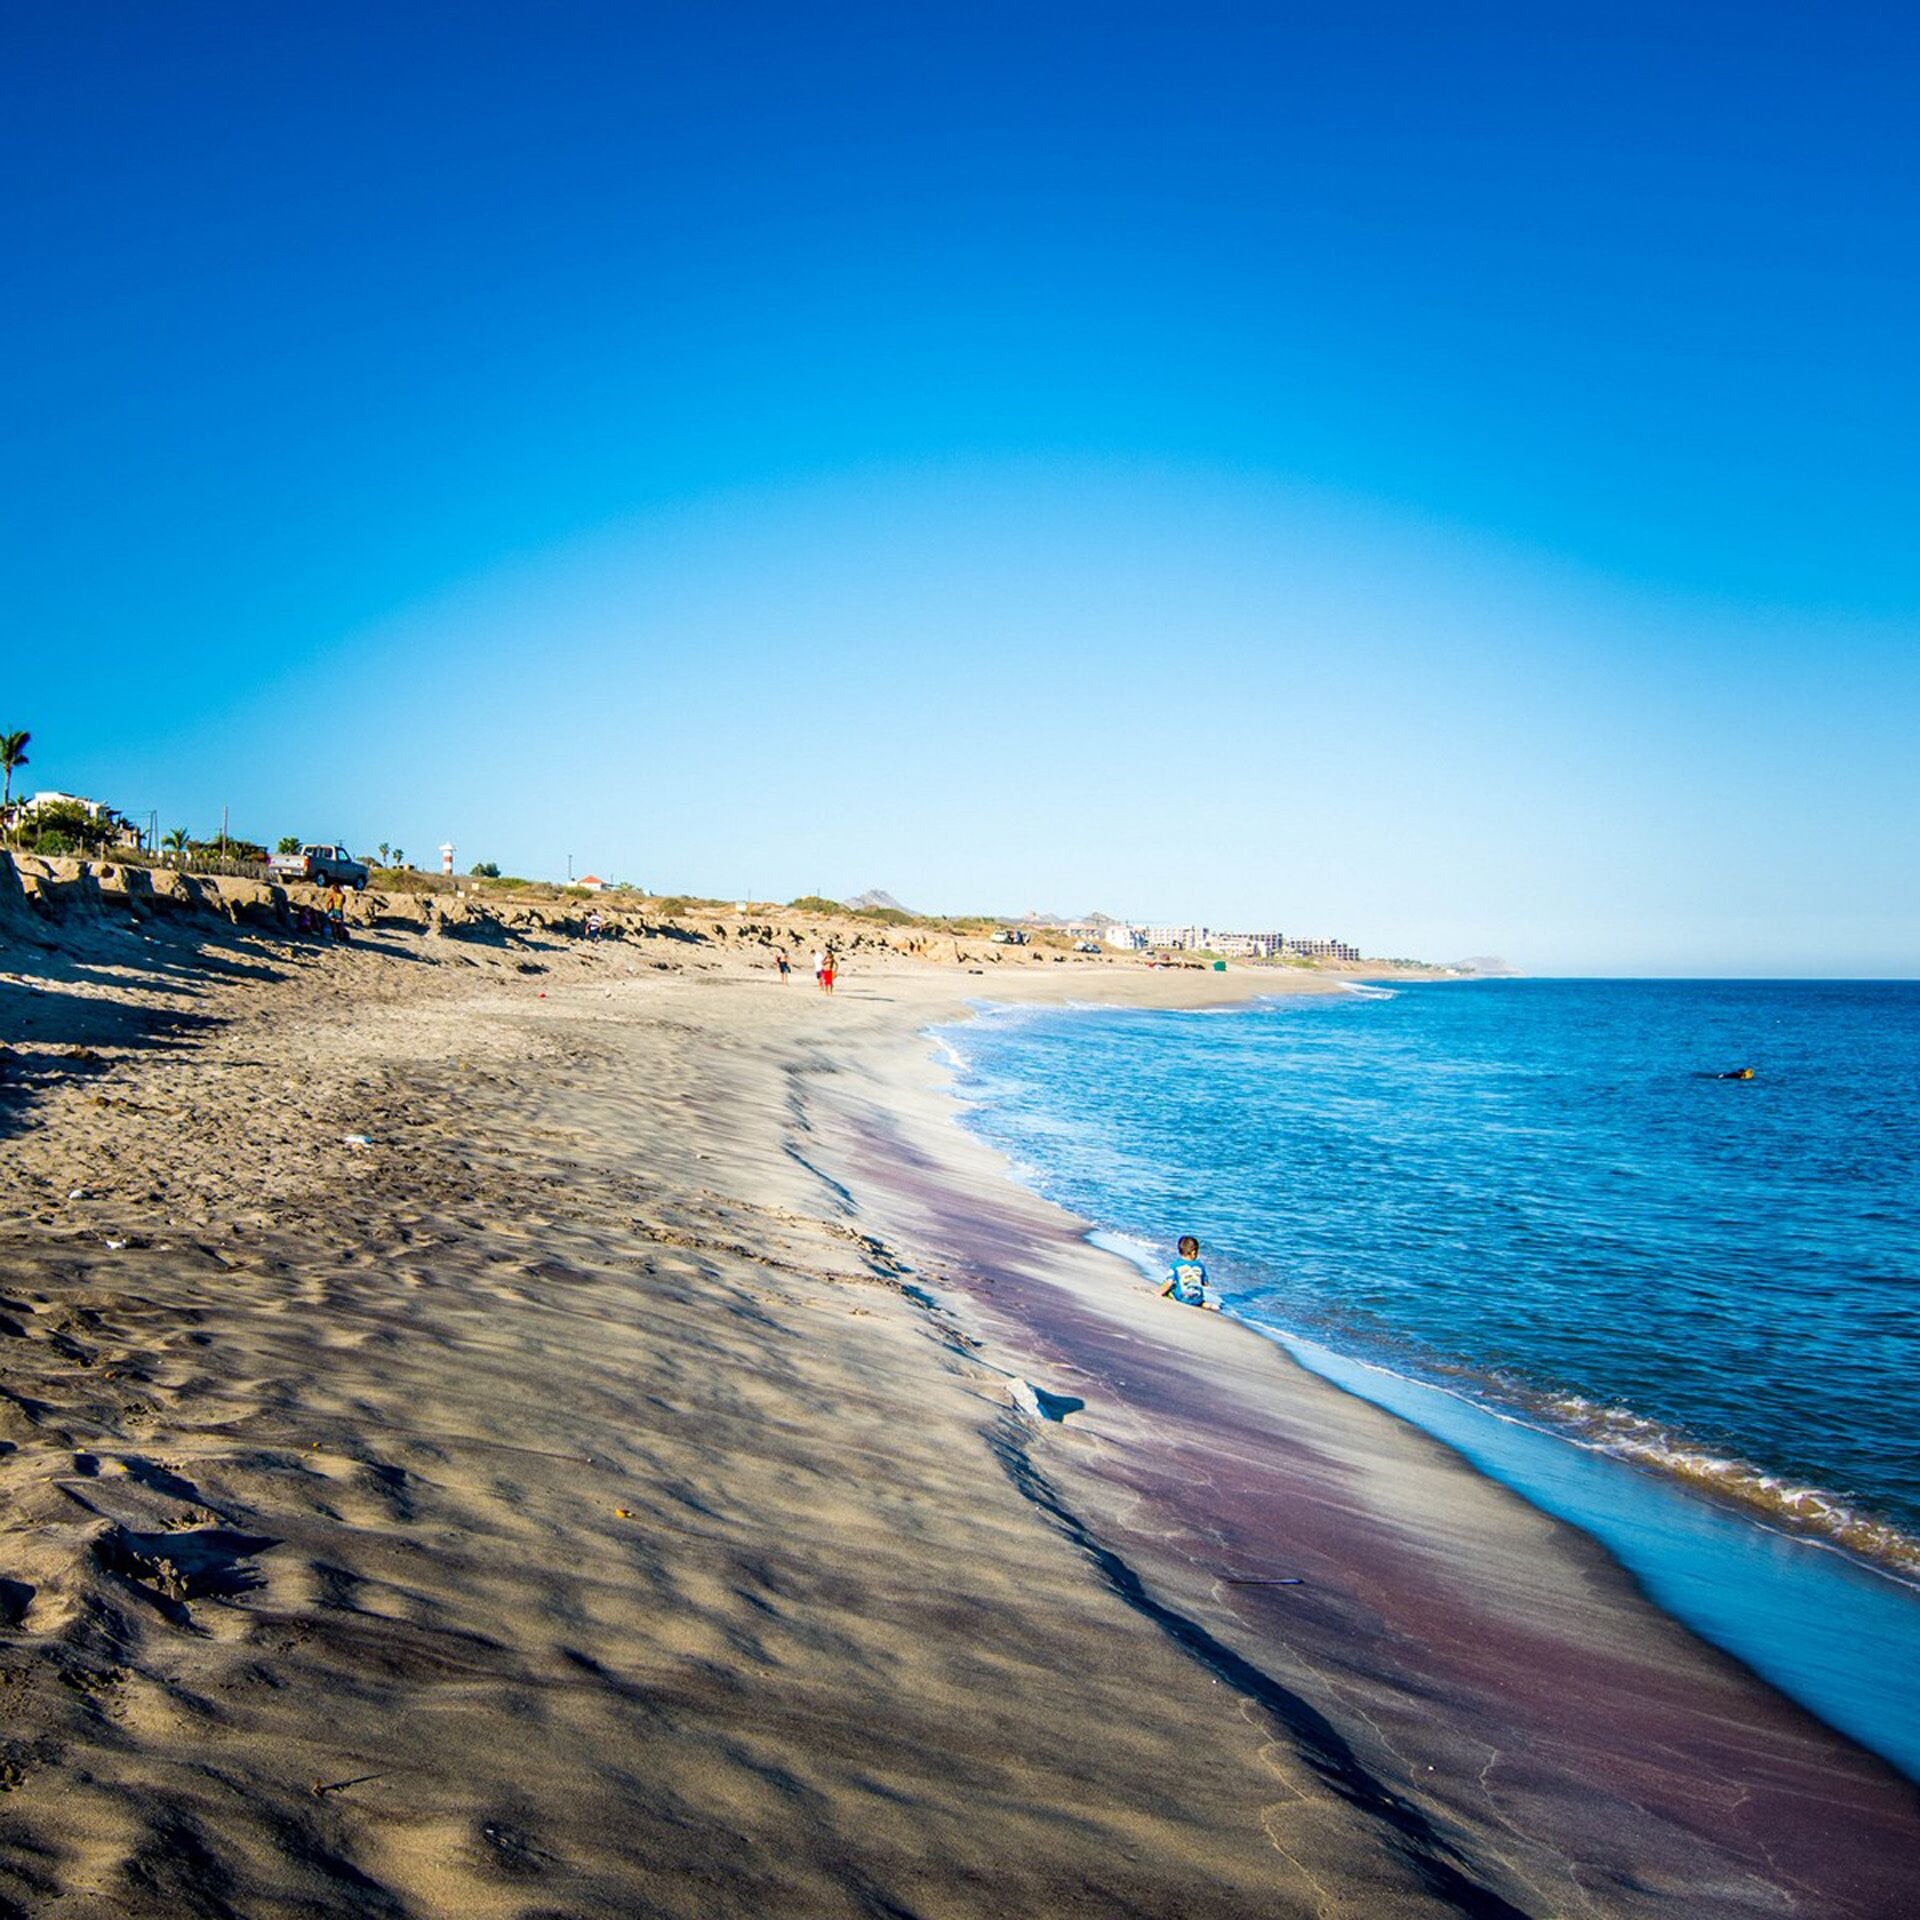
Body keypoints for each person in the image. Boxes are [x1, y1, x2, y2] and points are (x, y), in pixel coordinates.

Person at [1157, 1235, 1212, 1308]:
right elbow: (1205, 1284)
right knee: (1199, 1298)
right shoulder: (1200, 1266)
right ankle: (1204, 1304)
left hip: (1182, 1298)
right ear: (1193, 1252)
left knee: (1170, 1286)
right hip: (1197, 1298)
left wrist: (1160, 1293)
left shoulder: (1175, 1265)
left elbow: (1169, 1283)